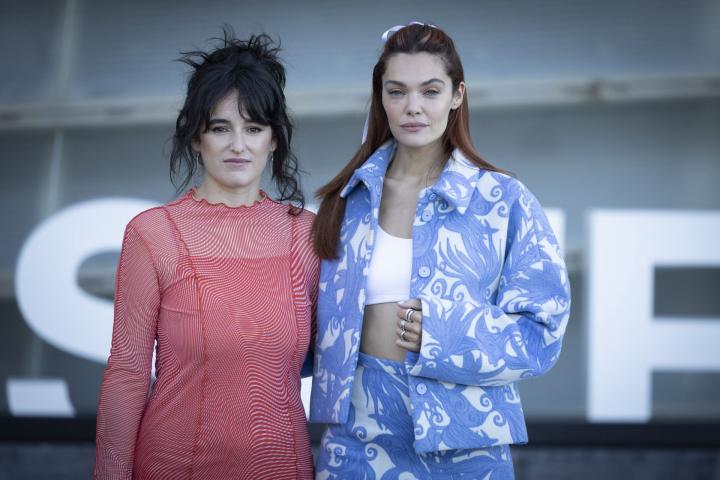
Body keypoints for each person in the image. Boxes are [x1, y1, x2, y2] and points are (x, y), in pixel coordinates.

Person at [310, 23, 571, 479]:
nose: (413, 107)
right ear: (381, 98)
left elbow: (543, 331)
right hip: (356, 437)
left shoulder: (502, 199)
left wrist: (442, 331)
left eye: (430, 91)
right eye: (397, 92)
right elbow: (302, 319)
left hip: (465, 441)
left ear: (457, 95)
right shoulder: (348, 200)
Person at [94, 31, 318, 480]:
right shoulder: (154, 234)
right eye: (220, 128)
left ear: (274, 139)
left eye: (254, 128)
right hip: (174, 467)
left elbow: (338, 354)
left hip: (283, 467)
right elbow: (127, 374)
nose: (238, 144)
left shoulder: (306, 234)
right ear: (196, 137)